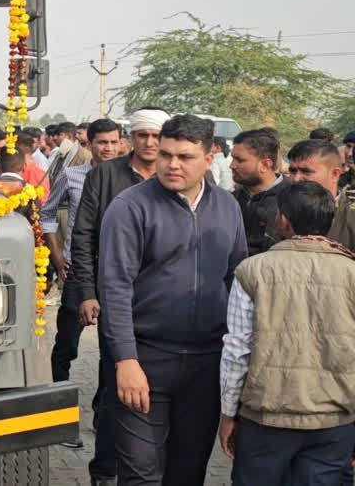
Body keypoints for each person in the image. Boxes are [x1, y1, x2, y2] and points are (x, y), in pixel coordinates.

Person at [99, 114, 247, 485]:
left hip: (206, 362)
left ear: (209, 158)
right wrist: (126, 360)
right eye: (166, 155)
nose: (171, 164)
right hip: (146, 360)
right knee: (141, 473)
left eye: (184, 157)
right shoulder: (130, 207)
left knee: (188, 470)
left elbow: (237, 279)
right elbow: (115, 287)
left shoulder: (227, 207)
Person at [218, 181, 355, 484]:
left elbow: (237, 350)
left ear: (284, 220)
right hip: (334, 421)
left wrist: (228, 413)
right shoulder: (351, 271)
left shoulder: (252, 271)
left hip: (266, 419)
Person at [67, 107, 168, 485]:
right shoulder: (106, 175)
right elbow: (83, 235)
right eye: (143, 135)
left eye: (156, 136)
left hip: (161, 301)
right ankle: (104, 470)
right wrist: (86, 293)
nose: (150, 143)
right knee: (114, 388)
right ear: (132, 137)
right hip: (114, 296)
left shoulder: (173, 176)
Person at [44, 119, 121, 392]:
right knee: (67, 341)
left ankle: (103, 410)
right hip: (78, 268)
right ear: (90, 143)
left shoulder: (128, 179)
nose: (108, 148)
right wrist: (55, 255)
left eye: (114, 142)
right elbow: (48, 213)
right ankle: (59, 397)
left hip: (115, 270)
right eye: (102, 142)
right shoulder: (72, 175)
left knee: (113, 346)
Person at [287, 138, 355, 250]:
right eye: (293, 171)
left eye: (306, 171)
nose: (296, 179)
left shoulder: (351, 217)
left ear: (334, 174)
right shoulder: (282, 211)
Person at [231, 128, 286, 256]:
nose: (232, 166)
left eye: (240, 160)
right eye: (233, 159)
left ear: (265, 165)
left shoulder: (290, 199)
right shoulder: (229, 200)